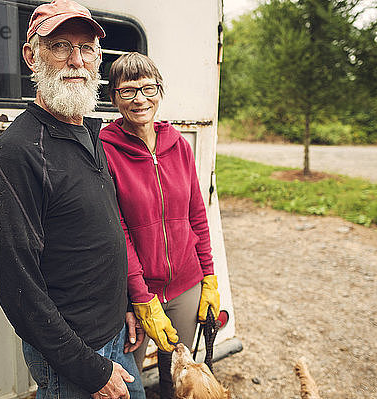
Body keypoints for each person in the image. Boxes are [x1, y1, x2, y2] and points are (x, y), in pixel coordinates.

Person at [0, 1, 146, 398]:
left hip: (114, 336)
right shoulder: (16, 152)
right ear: (31, 55)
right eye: (60, 46)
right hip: (75, 357)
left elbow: (99, 232)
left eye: (87, 48)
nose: (77, 60)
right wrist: (89, 371)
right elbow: (18, 288)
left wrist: (124, 303)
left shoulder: (92, 135)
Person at [99, 52, 221, 399]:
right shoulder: (105, 150)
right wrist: (140, 298)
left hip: (186, 285)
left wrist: (209, 277)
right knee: (128, 383)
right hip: (134, 297)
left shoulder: (179, 145)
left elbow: (197, 214)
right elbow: (118, 232)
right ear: (114, 98)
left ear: (159, 91)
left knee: (178, 378)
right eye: (127, 91)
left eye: (147, 88)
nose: (140, 99)